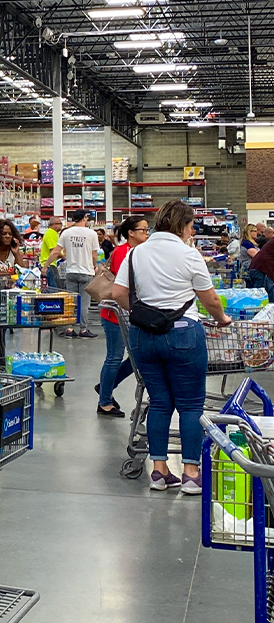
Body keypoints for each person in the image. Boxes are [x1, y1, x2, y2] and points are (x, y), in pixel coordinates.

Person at [109, 200, 231, 494]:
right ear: (185, 226)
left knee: (160, 402)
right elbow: (210, 300)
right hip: (183, 335)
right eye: (191, 226)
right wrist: (222, 319)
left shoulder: (135, 253)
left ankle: (159, 472)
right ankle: (190, 473)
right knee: (190, 405)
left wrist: (144, 315)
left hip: (143, 337)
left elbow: (118, 293)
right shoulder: (189, 255)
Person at [96, 216, 149, 418]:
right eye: (143, 230)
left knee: (136, 356)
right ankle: (104, 401)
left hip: (131, 313)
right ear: (131, 233)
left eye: (147, 229)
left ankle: (106, 386)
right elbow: (122, 285)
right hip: (115, 313)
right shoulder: (121, 252)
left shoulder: (141, 252)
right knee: (114, 356)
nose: (147, 233)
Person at [53, 209, 100, 337]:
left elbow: (56, 251)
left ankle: (69, 328)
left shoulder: (66, 233)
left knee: (70, 302)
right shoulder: (92, 234)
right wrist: (94, 266)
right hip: (86, 272)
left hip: (71, 271)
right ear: (84, 218)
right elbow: (94, 255)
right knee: (84, 302)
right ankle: (83, 329)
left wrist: (45, 266)